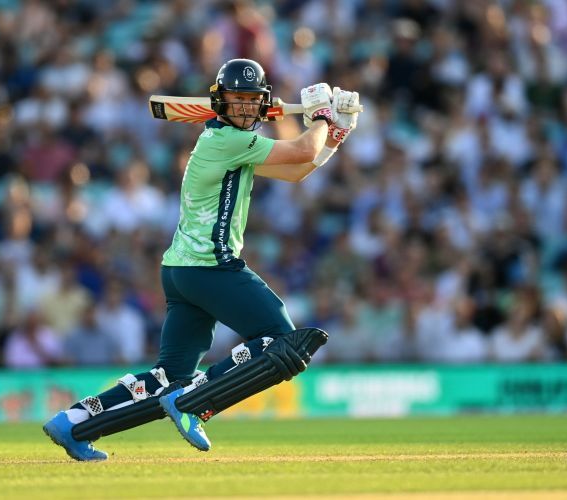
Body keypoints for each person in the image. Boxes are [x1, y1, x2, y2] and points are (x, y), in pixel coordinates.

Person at [42, 58, 361, 461]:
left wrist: (335, 132)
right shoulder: (227, 141)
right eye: (236, 99)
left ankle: (73, 422)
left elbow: (298, 170)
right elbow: (301, 147)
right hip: (212, 266)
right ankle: (193, 400)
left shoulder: (231, 145)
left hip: (181, 271)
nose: (245, 107)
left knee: (166, 376)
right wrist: (319, 116)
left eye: (251, 100)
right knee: (282, 341)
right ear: (220, 102)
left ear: (262, 103)